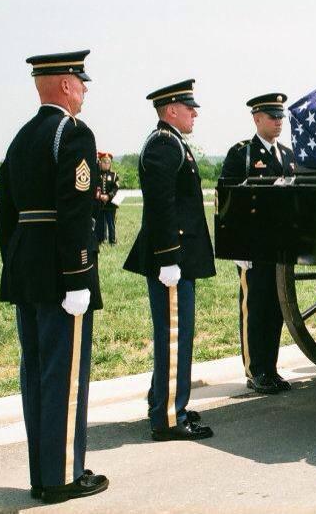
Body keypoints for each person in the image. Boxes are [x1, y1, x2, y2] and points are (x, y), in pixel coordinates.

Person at [0, 50, 108, 503]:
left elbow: (6, 212)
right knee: (64, 374)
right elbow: (75, 207)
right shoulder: (73, 132)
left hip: (27, 266)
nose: (83, 90)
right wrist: (79, 273)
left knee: (37, 371)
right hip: (63, 271)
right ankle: (63, 476)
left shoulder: (21, 137)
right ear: (64, 84)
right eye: (80, 82)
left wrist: (17, 261)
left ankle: (42, 474)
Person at [124, 79, 216, 441]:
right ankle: (167, 417)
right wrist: (168, 259)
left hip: (176, 258)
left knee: (177, 336)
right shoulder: (164, 144)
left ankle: (166, 401)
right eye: (189, 107)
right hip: (171, 260)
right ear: (171, 110)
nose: (194, 113)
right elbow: (161, 207)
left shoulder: (171, 142)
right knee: (174, 336)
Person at [219, 93, 296, 394]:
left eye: (281, 116)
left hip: (279, 245)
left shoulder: (288, 155)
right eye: (272, 116)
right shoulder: (242, 154)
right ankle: (255, 370)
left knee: (276, 308)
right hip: (253, 246)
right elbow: (229, 202)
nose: (278, 121)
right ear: (257, 118)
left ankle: (271, 368)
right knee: (255, 306)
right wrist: (237, 246)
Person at [94, 151, 120, 245]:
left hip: (110, 204)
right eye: (104, 162)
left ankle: (112, 240)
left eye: (108, 162)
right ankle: (100, 240)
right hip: (99, 203)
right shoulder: (96, 175)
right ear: (100, 162)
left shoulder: (114, 175)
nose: (106, 164)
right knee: (100, 223)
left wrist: (109, 196)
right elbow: (94, 186)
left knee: (111, 223)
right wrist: (100, 196)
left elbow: (116, 187)